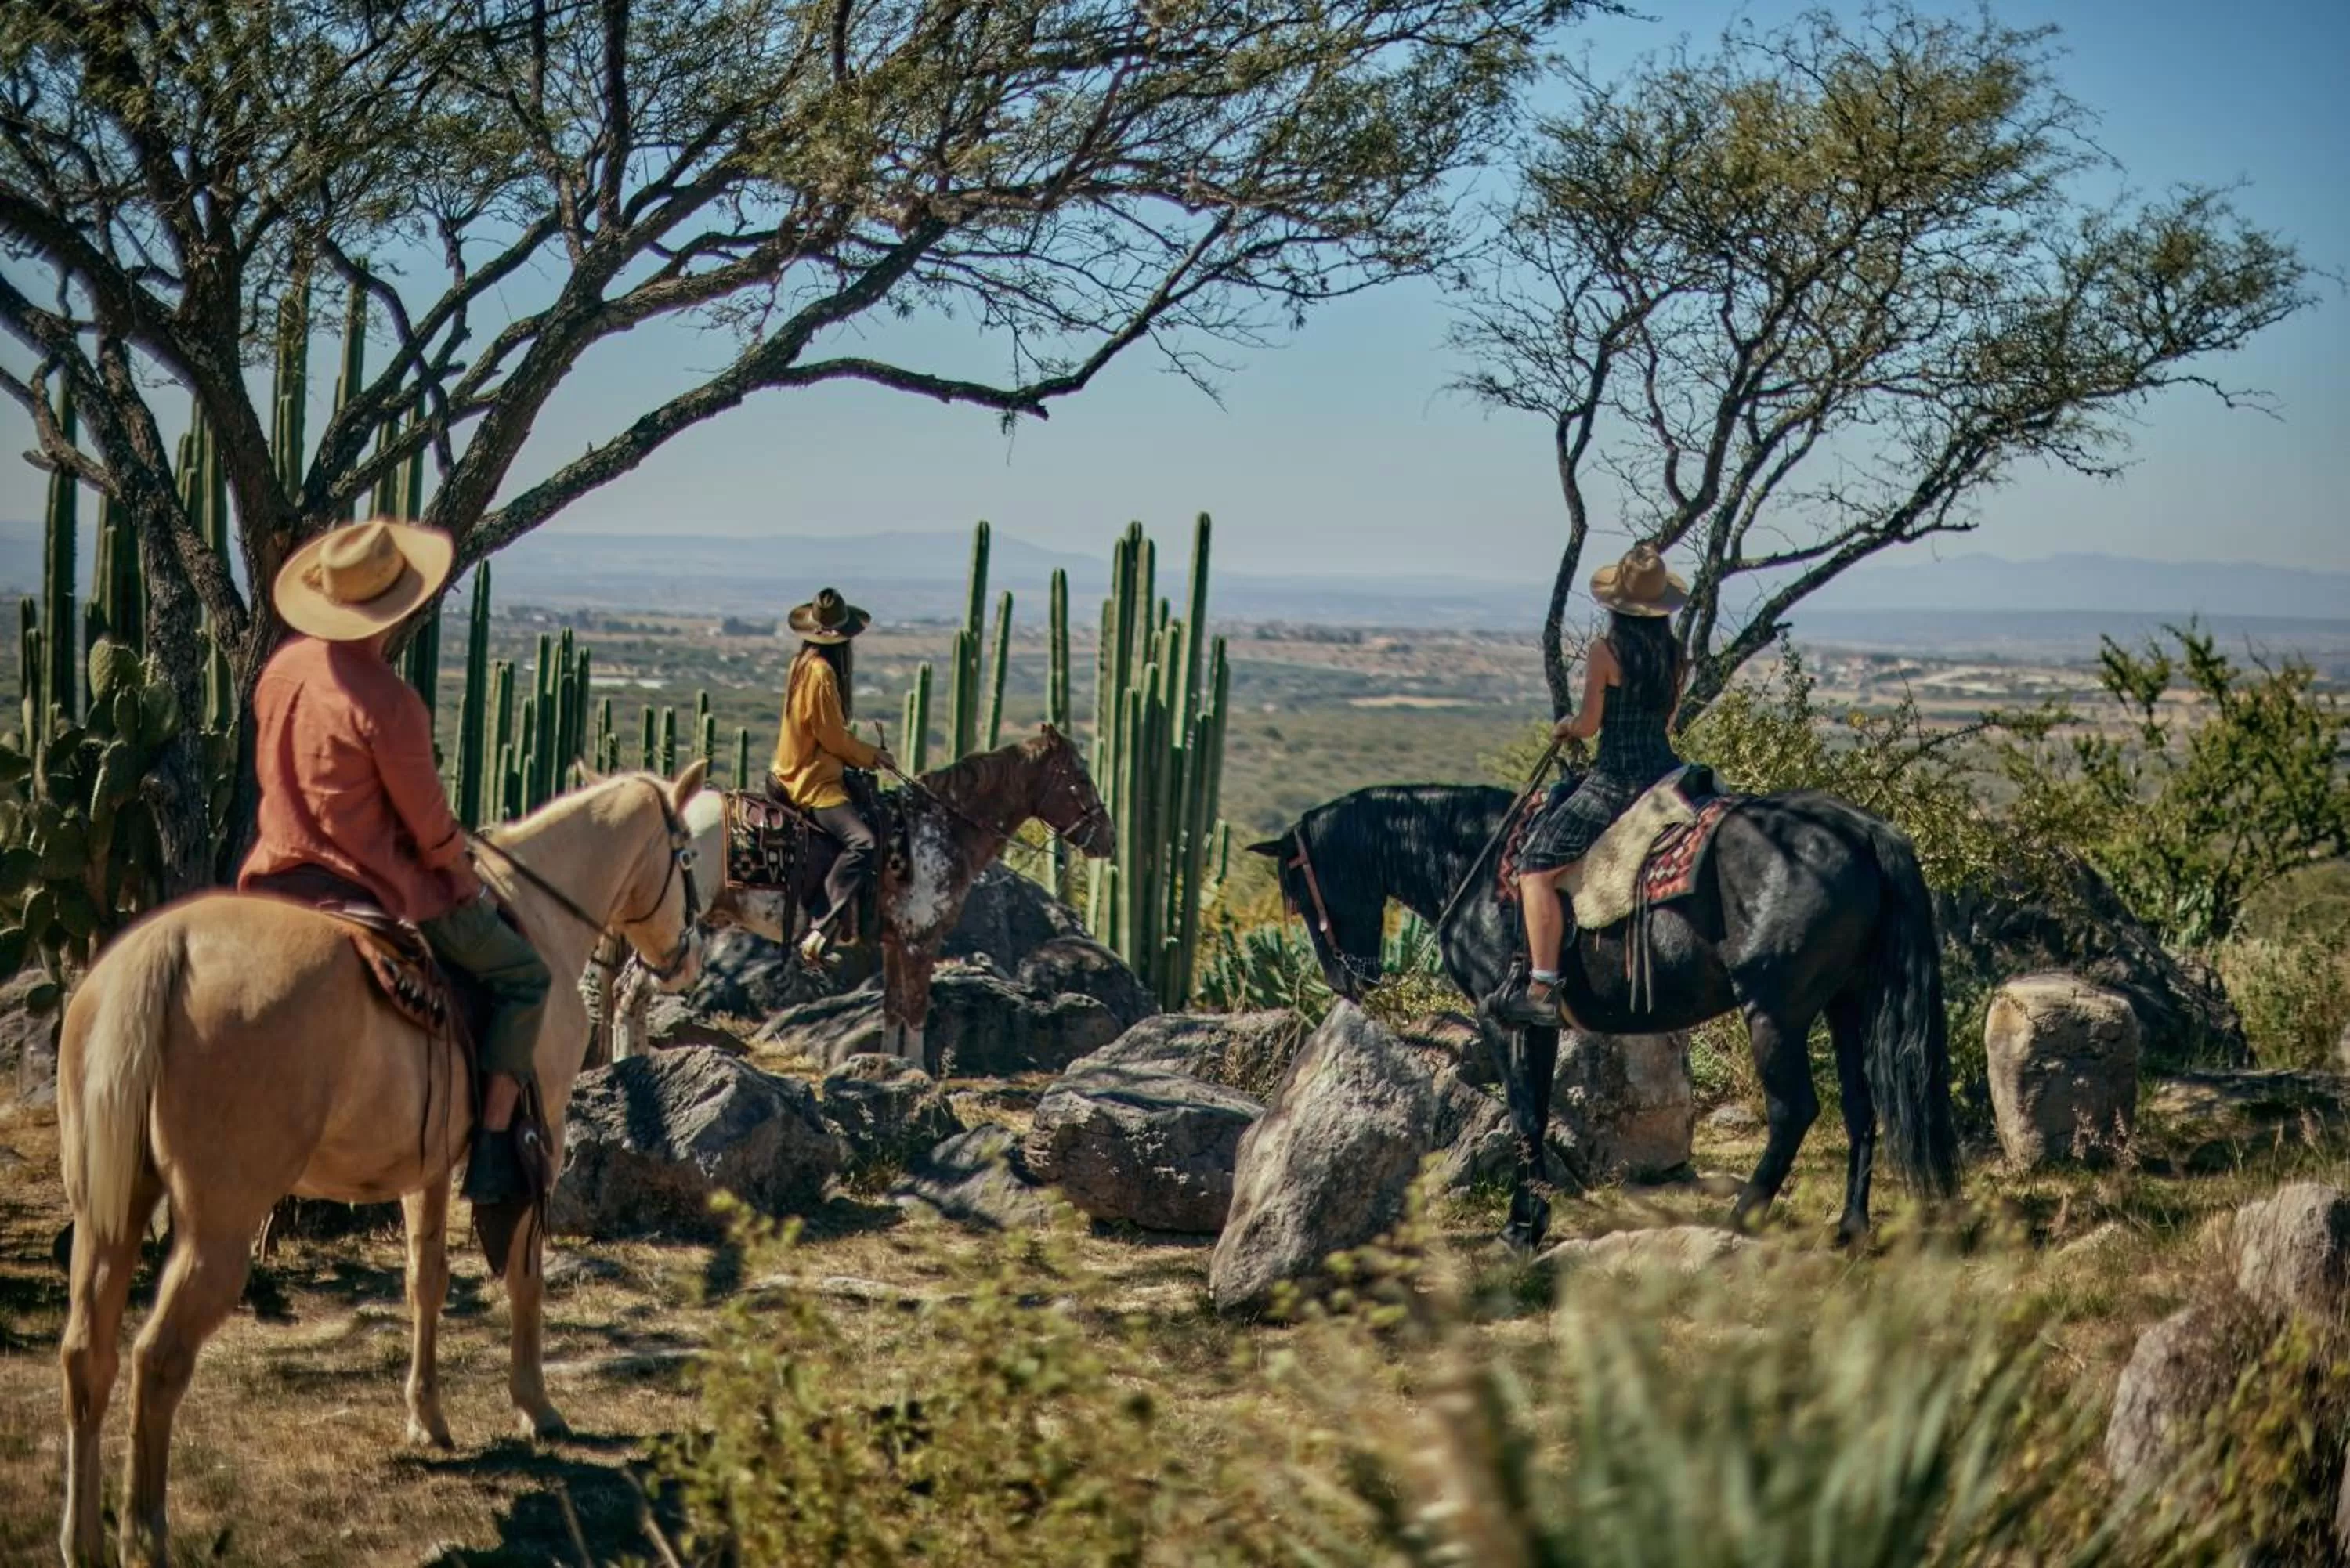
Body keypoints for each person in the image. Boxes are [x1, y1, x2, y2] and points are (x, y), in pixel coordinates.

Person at [239, 518, 551, 1207]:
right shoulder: (388, 702)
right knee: (525, 976)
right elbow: (430, 828)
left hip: (272, 878)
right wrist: (463, 879)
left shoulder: (282, 668)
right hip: (375, 889)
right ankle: (495, 1148)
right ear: (400, 603)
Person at [1494, 543, 1690, 1028]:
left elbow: (1589, 723)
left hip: (1617, 780)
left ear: (1616, 607)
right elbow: (1667, 722)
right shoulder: (1676, 654)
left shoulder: (1607, 651)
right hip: (1666, 771)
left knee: (1534, 867)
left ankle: (1541, 986)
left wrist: (1565, 727)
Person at [770, 587, 895, 966]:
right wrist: (874, 756)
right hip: (813, 782)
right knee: (864, 842)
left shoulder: (801, 664)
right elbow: (832, 737)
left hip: (783, 770)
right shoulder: (823, 672)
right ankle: (821, 928)